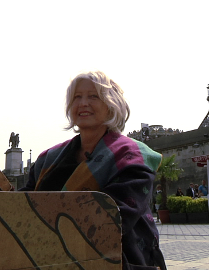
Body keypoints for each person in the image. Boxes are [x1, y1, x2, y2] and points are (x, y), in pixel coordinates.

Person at [19, 70, 166, 270]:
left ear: (111, 105)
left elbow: (114, 219)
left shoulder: (132, 157)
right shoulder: (48, 159)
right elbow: (19, 207)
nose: (83, 103)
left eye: (93, 96)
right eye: (76, 97)